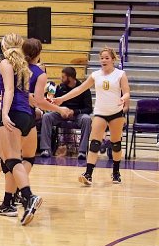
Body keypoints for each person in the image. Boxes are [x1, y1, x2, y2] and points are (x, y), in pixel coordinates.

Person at [0, 34, 70, 225]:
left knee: (11, 160)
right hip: (28, 116)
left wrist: (5, 113)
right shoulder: (25, 67)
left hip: (14, 113)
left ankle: (28, 197)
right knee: (16, 160)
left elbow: (9, 91)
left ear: (4, 45)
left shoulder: (6, 64)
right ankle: (10, 203)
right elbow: (33, 98)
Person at [54, 47, 130, 185]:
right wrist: (61, 99)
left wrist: (123, 98)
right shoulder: (95, 75)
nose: (104, 60)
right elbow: (79, 89)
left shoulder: (120, 74)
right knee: (94, 143)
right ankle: (88, 174)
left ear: (113, 60)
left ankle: (116, 172)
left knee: (116, 144)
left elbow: (126, 92)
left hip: (116, 113)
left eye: (107, 58)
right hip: (100, 112)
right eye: (102, 58)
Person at [38, 66, 93, 159]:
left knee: (86, 119)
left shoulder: (84, 89)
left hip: (77, 115)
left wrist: (74, 112)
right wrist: (60, 110)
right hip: (62, 113)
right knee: (47, 116)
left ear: (70, 78)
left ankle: (82, 151)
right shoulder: (60, 87)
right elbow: (55, 104)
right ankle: (45, 149)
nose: (61, 78)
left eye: (63, 77)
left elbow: (88, 109)